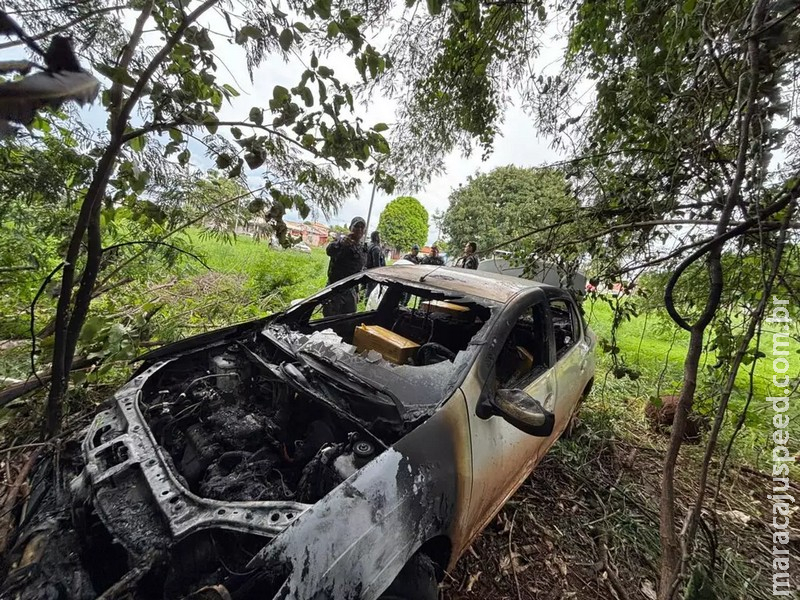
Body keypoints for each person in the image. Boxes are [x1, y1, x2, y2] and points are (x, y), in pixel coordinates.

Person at [323, 216, 367, 316]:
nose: (359, 229)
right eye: (356, 226)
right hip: (335, 289)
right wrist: (341, 243)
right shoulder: (341, 242)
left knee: (348, 321)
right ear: (350, 228)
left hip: (351, 291)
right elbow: (329, 250)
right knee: (329, 321)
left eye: (362, 227)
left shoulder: (362, 248)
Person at [365, 231, 385, 297]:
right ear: (376, 237)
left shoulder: (369, 245)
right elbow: (376, 264)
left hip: (367, 272)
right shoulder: (376, 248)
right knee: (371, 293)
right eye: (380, 237)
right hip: (374, 275)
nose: (381, 238)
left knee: (365, 291)